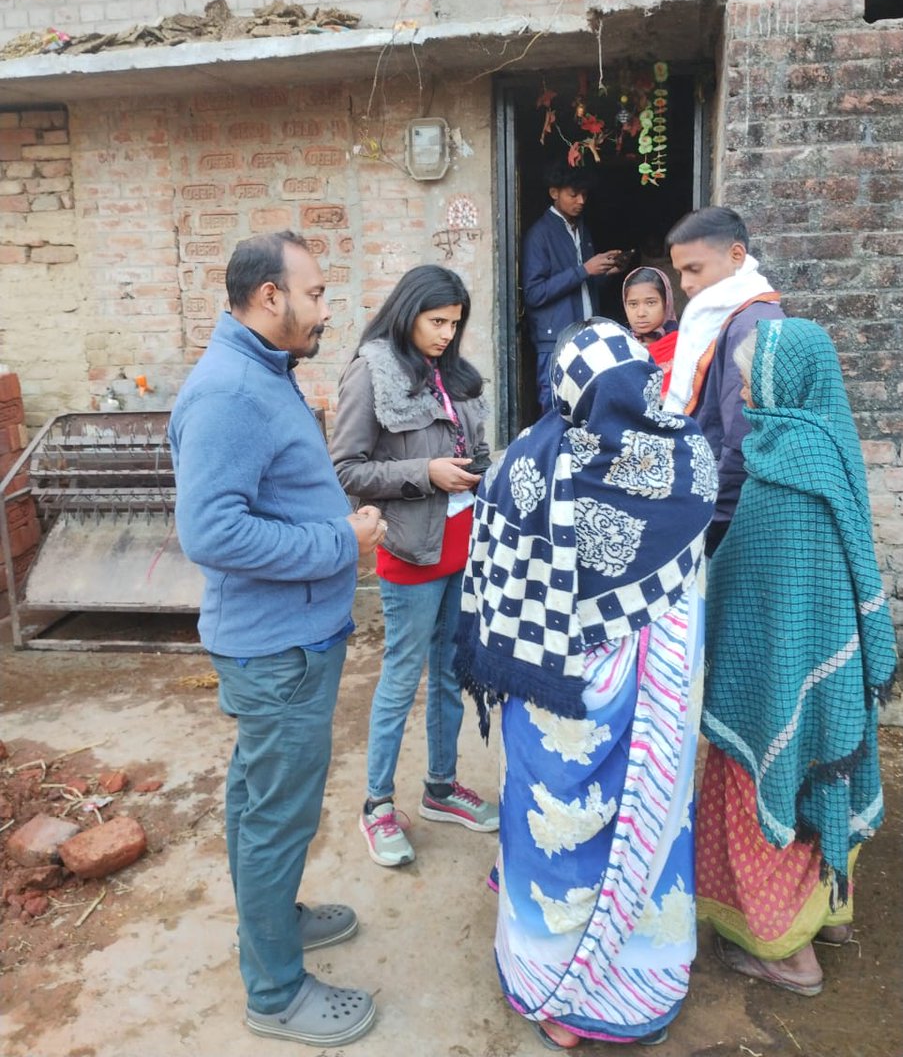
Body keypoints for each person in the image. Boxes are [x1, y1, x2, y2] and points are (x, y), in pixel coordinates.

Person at [456, 319, 718, 1049]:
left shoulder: (528, 463)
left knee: (550, 825)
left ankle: (552, 991)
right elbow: (690, 592)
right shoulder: (687, 458)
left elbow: (494, 594)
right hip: (653, 705)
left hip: (555, 692)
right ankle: (635, 988)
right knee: (650, 830)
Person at [169, 231, 384, 1047]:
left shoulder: (263, 372)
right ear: (269, 298)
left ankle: (273, 924)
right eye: (318, 293)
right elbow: (212, 531)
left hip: (291, 638)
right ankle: (275, 992)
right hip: (276, 649)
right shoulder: (228, 392)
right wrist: (342, 541)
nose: (327, 309)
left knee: (260, 803)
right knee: (275, 816)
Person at [697, 317, 897, 996]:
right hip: (831, 678)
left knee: (767, 778)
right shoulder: (829, 450)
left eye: (753, 377)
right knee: (826, 767)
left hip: (771, 685)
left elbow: (747, 589)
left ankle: (785, 953)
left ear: (785, 383)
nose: (746, 388)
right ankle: (830, 915)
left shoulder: (778, 473)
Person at [330, 264, 499, 869]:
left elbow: (471, 450)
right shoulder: (371, 371)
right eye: (436, 322)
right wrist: (423, 473)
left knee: (451, 673)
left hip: (463, 548)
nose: (447, 334)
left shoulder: (449, 374)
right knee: (402, 681)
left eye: (455, 324)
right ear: (407, 313)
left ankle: (442, 788)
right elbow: (346, 470)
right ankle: (377, 805)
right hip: (411, 550)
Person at [663, 206, 783, 555]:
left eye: (693, 269)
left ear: (736, 255)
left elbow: (741, 438)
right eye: (680, 272)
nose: (685, 284)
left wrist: (712, 520)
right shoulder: (728, 317)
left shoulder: (749, 325)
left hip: (725, 508)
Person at [522, 160, 626, 413]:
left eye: (584, 194)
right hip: (556, 340)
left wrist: (607, 272)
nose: (581, 200)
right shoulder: (540, 234)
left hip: (586, 337)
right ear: (554, 193)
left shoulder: (580, 229)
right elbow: (534, 294)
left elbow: (581, 287)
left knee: (587, 406)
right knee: (556, 407)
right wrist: (584, 270)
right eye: (573, 194)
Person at [622, 266, 679, 396]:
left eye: (651, 303)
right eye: (633, 304)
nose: (641, 313)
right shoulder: (621, 348)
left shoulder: (685, 347)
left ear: (667, 303)